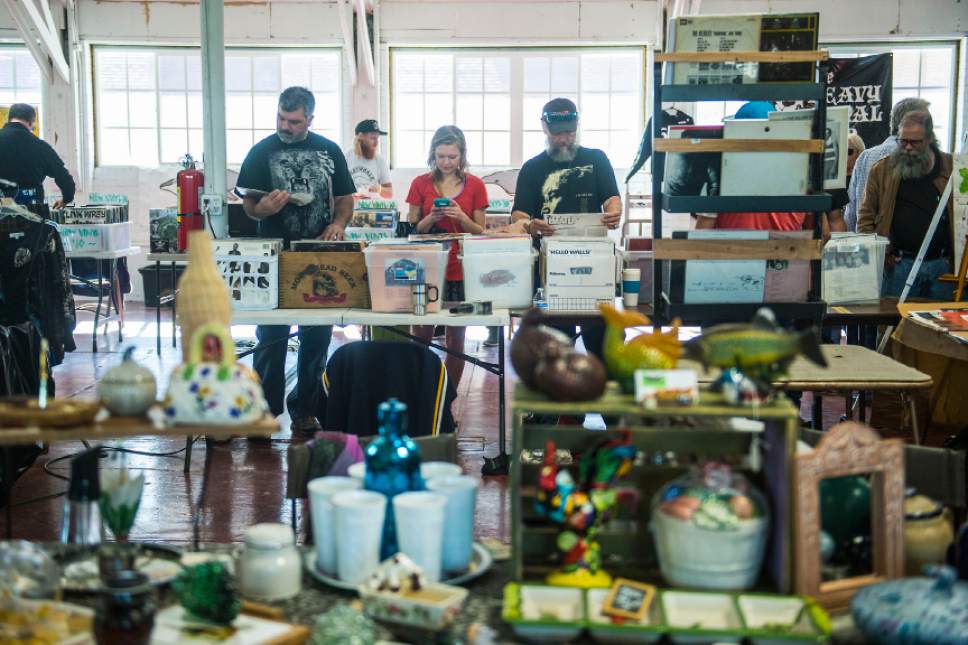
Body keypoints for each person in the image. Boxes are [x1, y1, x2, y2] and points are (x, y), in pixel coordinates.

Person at [236, 86, 355, 435]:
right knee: (271, 337)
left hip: (318, 258)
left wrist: (337, 223)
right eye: (281, 118)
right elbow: (248, 204)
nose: (285, 126)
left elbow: (346, 198)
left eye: (294, 121)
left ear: (310, 120)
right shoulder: (261, 152)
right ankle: (265, 409)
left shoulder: (329, 151)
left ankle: (306, 407)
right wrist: (263, 209)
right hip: (273, 258)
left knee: (316, 338)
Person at [510, 98, 621, 360]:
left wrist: (615, 211)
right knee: (555, 346)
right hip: (550, 269)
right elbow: (518, 216)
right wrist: (530, 224)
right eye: (557, 133)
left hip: (595, 266)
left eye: (570, 131)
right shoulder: (532, 168)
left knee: (604, 343)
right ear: (544, 128)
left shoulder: (596, 159)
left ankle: (604, 395)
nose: (564, 139)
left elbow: (611, 198)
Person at [407, 125, 488, 387]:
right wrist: (431, 218)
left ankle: (447, 400)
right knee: (420, 338)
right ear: (433, 154)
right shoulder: (420, 183)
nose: (446, 162)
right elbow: (412, 231)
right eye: (441, 156)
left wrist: (461, 217)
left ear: (462, 156)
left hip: (460, 272)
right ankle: (422, 397)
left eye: (452, 157)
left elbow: (480, 232)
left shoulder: (475, 185)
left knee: (456, 342)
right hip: (426, 269)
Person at [858, 110, 955, 300]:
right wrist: (878, 254)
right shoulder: (882, 170)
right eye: (903, 141)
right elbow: (865, 217)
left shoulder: (952, 168)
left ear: (929, 139)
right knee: (894, 326)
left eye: (915, 142)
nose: (908, 147)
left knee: (941, 325)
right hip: (899, 266)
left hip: (943, 266)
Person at [848, 97, 930, 231]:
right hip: (899, 245)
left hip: (866, 241)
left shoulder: (865, 157)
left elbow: (851, 213)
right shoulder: (918, 159)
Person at [0, 103, 75, 209]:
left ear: (9, 119)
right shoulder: (41, 146)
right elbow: (63, 177)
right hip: (31, 213)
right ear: (31, 122)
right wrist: (67, 198)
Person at [344, 119, 393, 197]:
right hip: (351, 207)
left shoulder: (380, 160)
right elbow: (338, 189)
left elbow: (389, 193)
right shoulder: (346, 157)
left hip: (373, 207)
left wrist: (379, 189)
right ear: (360, 137)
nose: (376, 142)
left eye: (377, 138)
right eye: (373, 138)